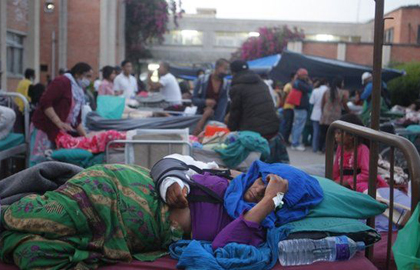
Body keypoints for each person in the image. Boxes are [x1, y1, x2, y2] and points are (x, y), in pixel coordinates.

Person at [0, 161, 291, 269]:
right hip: (116, 189)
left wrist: (269, 201)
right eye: (262, 178)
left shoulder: (256, 226)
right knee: (33, 217)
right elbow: (170, 162)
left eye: (269, 188)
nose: (258, 187)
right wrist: (171, 182)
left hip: (127, 231)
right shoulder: (226, 178)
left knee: (32, 253)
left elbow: (220, 247)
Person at [30, 62, 92, 166]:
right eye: (88, 76)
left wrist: (87, 138)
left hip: (58, 131)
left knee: (50, 162)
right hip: (44, 127)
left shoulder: (79, 91)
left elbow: (76, 120)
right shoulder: (62, 82)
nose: (89, 80)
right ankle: (31, 181)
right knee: (38, 159)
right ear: (77, 74)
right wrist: (58, 122)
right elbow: (45, 102)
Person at [333, 114, 389, 193]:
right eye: (335, 133)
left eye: (339, 133)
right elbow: (335, 169)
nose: (336, 136)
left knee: (364, 190)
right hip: (341, 180)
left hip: (359, 182)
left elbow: (366, 173)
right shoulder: (340, 148)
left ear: (351, 136)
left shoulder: (362, 149)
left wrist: (346, 182)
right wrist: (332, 181)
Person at [227, 60, 280, 140]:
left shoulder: (237, 87)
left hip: (253, 131)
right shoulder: (262, 83)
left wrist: (230, 129)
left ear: (233, 73)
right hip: (272, 127)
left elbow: (235, 112)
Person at [192, 59, 230, 134]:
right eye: (225, 69)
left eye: (227, 70)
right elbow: (194, 100)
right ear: (217, 67)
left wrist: (217, 123)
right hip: (200, 118)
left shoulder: (226, 84)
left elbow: (222, 106)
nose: (226, 72)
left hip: (216, 122)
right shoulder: (202, 80)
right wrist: (205, 102)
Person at [319, 77, 350, 152]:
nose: (343, 84)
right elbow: (344, 104)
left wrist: (323, 112)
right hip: (335, 116)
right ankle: (328, 149)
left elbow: (322, 103)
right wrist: (350, 112)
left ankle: (320, 148)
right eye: (342, 82)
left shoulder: (327, 91)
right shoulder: (342, 93)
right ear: (340, 83)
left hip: (326, 114)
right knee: (332, 134)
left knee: (323, 133)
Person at [290, 68, 312, 151]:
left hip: (298, 107)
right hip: (301, 108)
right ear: (301, 75)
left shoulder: (296, 82)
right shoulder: (299, 83)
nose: (306, 76)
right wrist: (309, 82)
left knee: (296, 125)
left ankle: (294, 142)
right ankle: (295, 143)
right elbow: (309, 89)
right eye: (305, 75)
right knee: (299, 126)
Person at [309, 78, 328, 153]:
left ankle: (314, 148)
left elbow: (311, 102)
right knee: (323, 132)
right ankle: (323, 148)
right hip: (324, 114)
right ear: (327, 83)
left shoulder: (315, 90)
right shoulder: (328, 91)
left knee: (315, 132)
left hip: (315, 113)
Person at [280, 72, 296, 144]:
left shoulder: (295, 86)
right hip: (287, 107)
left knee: (289, 125)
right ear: (292, 78)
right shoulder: (288, 85)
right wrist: (282, 105)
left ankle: (286, 140)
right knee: (287, 125)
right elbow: (284, 95)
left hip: (293, 108)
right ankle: (283, 140)